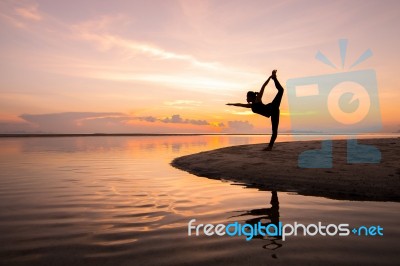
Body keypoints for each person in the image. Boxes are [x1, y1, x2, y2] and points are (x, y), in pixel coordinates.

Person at [227, 70, 284, 151]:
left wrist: (269, 78)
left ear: (251, 97)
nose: (246, 98)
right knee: (274, 131)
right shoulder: (251, 105)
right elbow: (240, 104)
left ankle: (274, 78)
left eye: (247, 97)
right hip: (273, 112)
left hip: (272, 107)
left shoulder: (258, 99)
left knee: (281, 90)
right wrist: (232, 104)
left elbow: (263, 86)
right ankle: (270, 147)